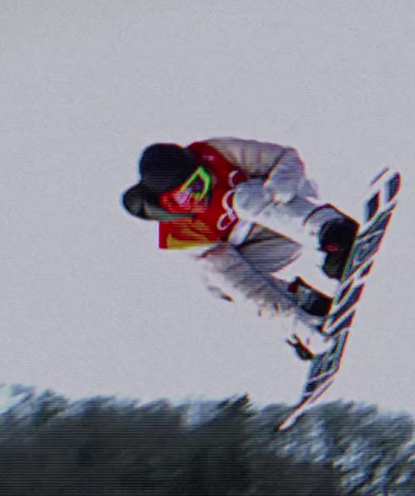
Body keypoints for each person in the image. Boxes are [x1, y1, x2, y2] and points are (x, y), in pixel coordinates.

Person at [122, 138, 359, 357]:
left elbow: (285, 157)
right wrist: (290, 320)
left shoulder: (217, 153)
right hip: (266, 244)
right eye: (183, 198)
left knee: (241, 199)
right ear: (167, 205)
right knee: (216, 281)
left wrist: (280, 188)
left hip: (290, 206)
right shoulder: (179, 230)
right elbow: (235, 279)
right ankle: (301, 308)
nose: (198, 198)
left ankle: (334, 234)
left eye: (198, 184)